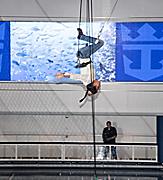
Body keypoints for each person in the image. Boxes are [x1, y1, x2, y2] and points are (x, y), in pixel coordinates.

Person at [56, 28, 104, 102]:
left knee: (100, 43)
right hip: (85, 55)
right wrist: (89, 92)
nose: (99, 84)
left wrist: (63, 74)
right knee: (98, 43)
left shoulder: (87, 80)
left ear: (94, 85)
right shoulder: (89, 81)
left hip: (83, 54)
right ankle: (82, 37)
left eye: (98, 86)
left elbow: (75, 76)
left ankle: (81, 36)